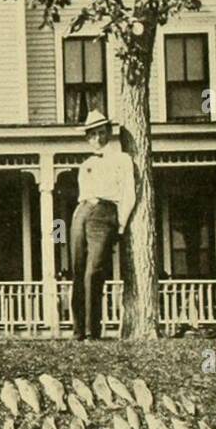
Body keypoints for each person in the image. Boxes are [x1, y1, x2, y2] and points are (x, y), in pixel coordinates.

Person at [70, 110, 135, 340]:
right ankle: (78, 331)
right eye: (91, 134)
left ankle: (92, 331)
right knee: (77, 271)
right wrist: (81, 211)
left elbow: (129, 194)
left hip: (105, 214)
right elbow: (82, 195)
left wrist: (121, 224)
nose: (96, 138)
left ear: (108, 133)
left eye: (100, 133)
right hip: (82, 212)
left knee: (94, 272)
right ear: (87, 138)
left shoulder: (122, 159)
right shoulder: (85, 164)